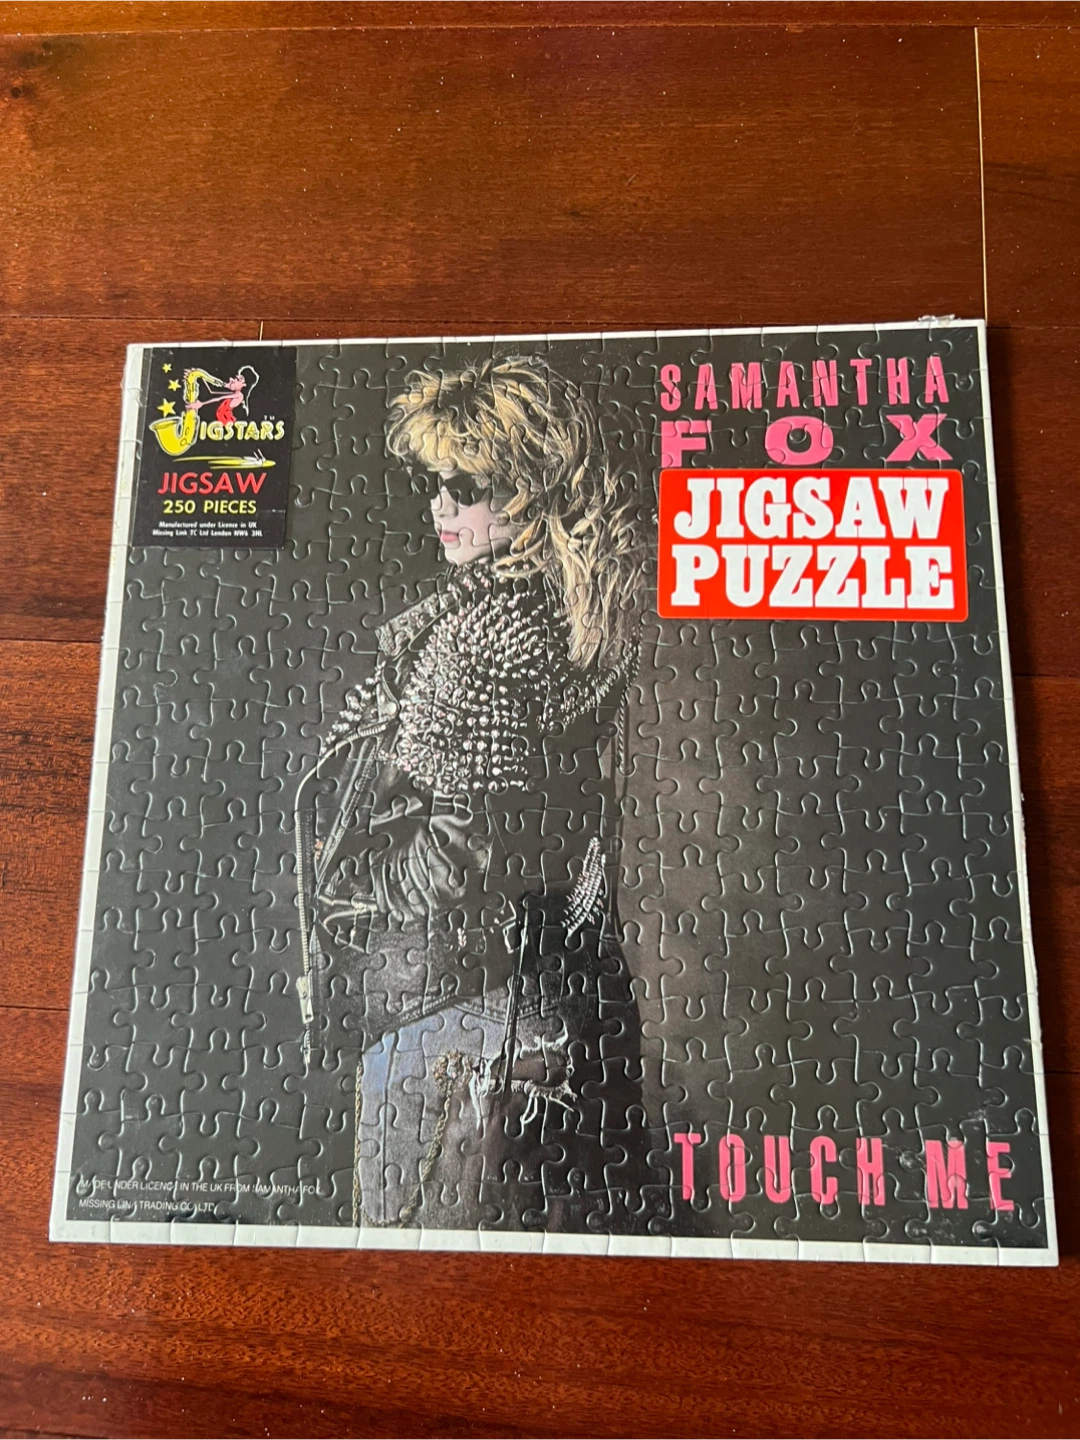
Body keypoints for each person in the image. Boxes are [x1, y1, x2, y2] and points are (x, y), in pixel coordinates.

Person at [294, 356, 653, 1233]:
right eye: (433, 481)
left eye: (468, 485)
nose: (440, 504)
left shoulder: (474, 643)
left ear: (533, 491)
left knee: (410, 1258)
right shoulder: (579, 618)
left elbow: (465, 851)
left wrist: (357, 888)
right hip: (559, 993)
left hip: (447, 1007)